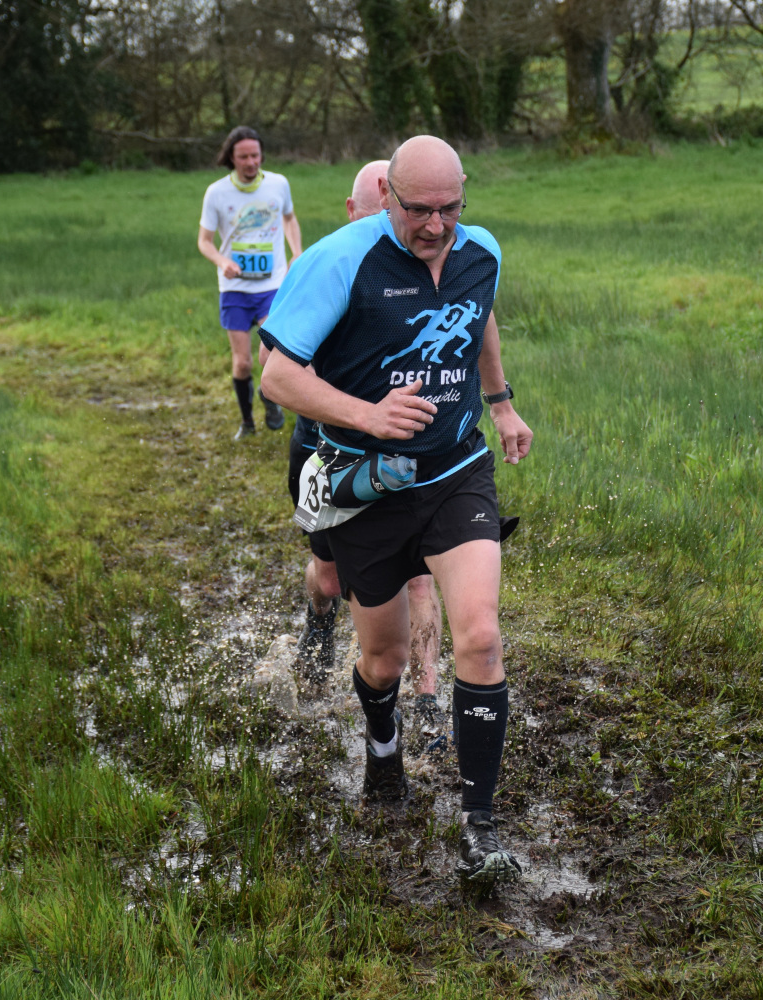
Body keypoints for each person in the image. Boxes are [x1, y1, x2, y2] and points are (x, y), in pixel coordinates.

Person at [260, 136, 533, 889]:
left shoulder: (482, 251)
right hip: (369, 487)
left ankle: (481, 831)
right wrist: (369, 415)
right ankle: (383, 748)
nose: (436, 226)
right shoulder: (339, 262)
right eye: (420, 210)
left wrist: (501, 404)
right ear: (387, 198)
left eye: (451, 208)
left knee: (481, 637)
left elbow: (479, 318)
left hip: (456, 472)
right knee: (383, 660)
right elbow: (277, 375)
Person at [282, 160, 446, 739]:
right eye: (377, 215)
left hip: (409, 451)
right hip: (325, 450)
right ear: (354, 211)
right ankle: (319, 617)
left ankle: (426, 698)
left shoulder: (426, 268)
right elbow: (283, 368)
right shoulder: (325, 265)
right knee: (329, 578)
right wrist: (361, 412)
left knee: (418, 576)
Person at [197, 125, 303, 439]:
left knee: (273, 354)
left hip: (272, 285)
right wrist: (223, 262)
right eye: (243, 157)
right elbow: (204, 241)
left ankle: (269, 398)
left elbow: (289, 218)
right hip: (235, 289)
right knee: (242, 363)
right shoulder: (216, 192)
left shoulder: (278, 184)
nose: (251, 162)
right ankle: (247, 423)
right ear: (231, 158)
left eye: (255, 155)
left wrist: (297, 252)